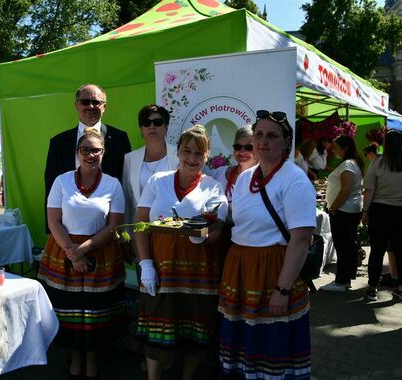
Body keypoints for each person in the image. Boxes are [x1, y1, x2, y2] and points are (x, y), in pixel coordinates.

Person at [218, 110, 316, 379]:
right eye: (258, 135)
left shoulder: (295, 181)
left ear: (286, 142)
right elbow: (240, 223)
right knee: (243, 342)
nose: (262, 141)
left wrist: (282, 290)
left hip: (273, 270)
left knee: (271, 344)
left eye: (272, 135)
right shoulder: (246, 178)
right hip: (240, 268)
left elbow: (300, 240)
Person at [135, 125, 227, 380]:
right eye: (187, 151)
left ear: (207, 156)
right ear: (178, 152)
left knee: (194, 331)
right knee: (156, 326)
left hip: (198, 272)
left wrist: (202, 238)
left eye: (199, 153)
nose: (192, 158)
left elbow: (217, 230)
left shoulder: (213, 187)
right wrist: (146, 264)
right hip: (161, 269)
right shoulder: (158, 181)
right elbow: (141, 223)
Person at [37, 128, 127, 379]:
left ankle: (92, 357)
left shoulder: (112, 184)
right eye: (85, 150)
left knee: (96, 310)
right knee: (70, 308)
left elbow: (114, 225)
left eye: (95, 150)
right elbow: (53, 221)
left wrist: (83, 250)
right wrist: (72, 252)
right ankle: (75, 356)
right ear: (77, 152)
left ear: (103, 153)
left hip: (100, 249)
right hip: (63, 248)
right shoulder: (62, 180)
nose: (90, 154)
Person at [45, 84, 131, 199]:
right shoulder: (59, 143)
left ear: (104, 107)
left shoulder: (120, 139)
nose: (91, 106)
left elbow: (125, 181)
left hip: (111, 211)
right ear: (76, 105)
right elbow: (51, 187)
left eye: (96, 102)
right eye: (85, 102)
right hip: (69, 213)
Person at [362, 130, 402, 302]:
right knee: (401, 251)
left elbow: (369, 189)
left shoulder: (378, 163)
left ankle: (372, 288)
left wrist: (365, 211)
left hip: (380, 211)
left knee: (377, 251)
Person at [320, 135, 364, 292]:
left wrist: (333, 208)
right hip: (348, 210)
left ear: (345, 148)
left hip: (343, 211)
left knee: (343, 245)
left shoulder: (348, 165)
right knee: (346, 245)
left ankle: (341, 281)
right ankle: (345, 279)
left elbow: (345, 190)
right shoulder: (351, 163)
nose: (333, 149)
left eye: (336, 147)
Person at [122, 104, 179, 224]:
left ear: (166, 127)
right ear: (141, 129)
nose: (152, 126)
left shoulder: (179, 156)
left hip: (172, 226)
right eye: (146, 123)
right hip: (138, 228)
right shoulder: (130, 158)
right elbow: (126, 200)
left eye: (157, 122)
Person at [212, 125, 257, 203]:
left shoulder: (265, 182)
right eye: (238, 146)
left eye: (249, 147)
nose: (242, 152)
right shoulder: (220, 173)